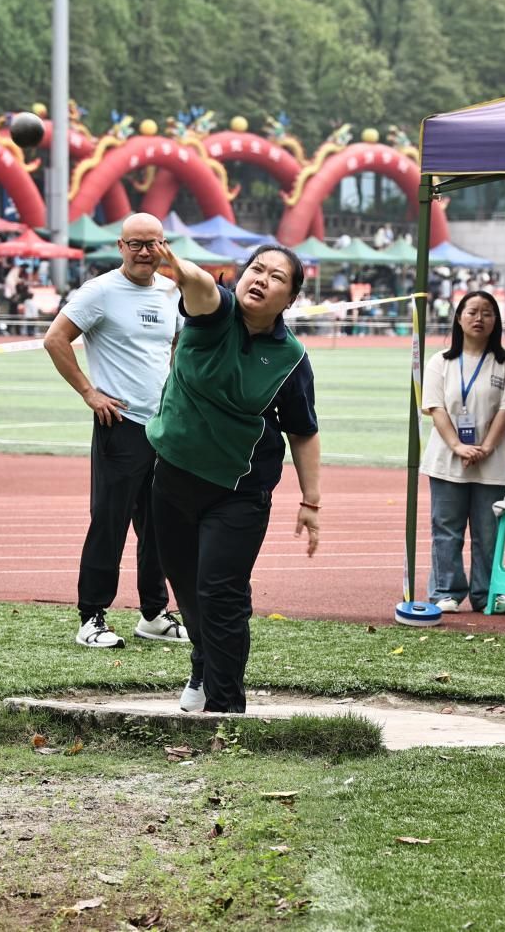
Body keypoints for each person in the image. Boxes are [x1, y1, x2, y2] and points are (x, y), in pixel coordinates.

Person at [145, 242, 321, 714]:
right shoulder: (214, 313)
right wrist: (179, 268)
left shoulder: (290, 358)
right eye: (256, 269)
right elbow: (201, 287)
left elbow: (303, 431)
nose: (261, 279)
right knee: (188, 590)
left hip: (239, 491)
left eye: (276, 277)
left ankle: (225, 710)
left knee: (221, 595)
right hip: (173, 478)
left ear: (291, 298)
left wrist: (311, 501)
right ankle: (203, 662)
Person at [43, 213, 186, 649]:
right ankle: (91, 617)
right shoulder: (100, 291)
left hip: (163, 427)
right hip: (119, 424)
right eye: (135, 244)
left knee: (159, 525)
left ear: (164, 247)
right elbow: (55, 339)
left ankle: (154, 614)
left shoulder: (171, 292)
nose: (144, 252)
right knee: (110, 522)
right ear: (121, 247)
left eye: (152, 243)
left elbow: (177, 343)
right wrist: (90, 392)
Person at [420, 291, 505, 616]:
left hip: (491, 462)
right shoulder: (440, 362)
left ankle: (489, 593)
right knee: (446, 530)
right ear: (459, 318)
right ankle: (446, 591)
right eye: (472, 312)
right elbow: (436, 408)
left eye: (487, 312)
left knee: (489, 532)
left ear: (496, 321)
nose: (479, 318)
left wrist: (485, 448)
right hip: (446, 459)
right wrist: (458, 446)